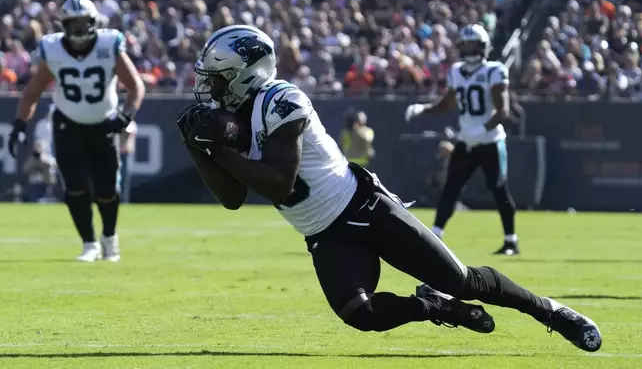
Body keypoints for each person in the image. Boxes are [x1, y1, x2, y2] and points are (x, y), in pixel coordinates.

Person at [177, 25, 601, 352]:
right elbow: (233, 200)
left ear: (244, 75)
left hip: (365, 208)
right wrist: (199, 151)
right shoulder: (232, 114)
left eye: (217, 78)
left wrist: (219, 151)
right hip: (323, 233)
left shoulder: (281, 100)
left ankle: (551, 311)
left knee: (464, 280)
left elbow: (277, 183)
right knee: (358, 314)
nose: (208, 87)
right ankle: (431, 306)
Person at [7, 0, 145, 262]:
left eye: (84, 23)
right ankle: (89, 243)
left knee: (106, 190)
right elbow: (32, 91)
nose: (79, 29)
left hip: (103, 121)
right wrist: (19, 125)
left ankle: (109, 238)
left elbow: (136, 86)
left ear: (94, 23)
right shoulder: (54, 49)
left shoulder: (109, 44)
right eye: (74, 24)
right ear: (64, 25)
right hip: (67, 123)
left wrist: (126, 116)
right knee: (76, 187)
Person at [405, 24, 520, 256]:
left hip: (490, 140)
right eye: (464, 44)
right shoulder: (457, 71)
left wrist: (482, 129)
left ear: (483, 46)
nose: (468, 49)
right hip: (466, 140)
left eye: (472, 44)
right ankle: (435, 237)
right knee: (451, 187)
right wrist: (423, 109)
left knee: (498, 188)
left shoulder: (494, 70)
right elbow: (446, 104)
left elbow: (503, 111)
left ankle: (511, 240)